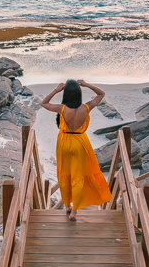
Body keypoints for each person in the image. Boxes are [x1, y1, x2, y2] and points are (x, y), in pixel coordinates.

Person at [40, 79, 112, 221]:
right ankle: (74, 211)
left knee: (65, 174)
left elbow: (44, 103)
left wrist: (56, 90)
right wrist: (86, 85)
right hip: (79, 143)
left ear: (65, 93)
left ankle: (67, 205)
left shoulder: (62, 108)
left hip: (64, 143)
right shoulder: (86, 107)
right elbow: (101, 94)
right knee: (78, 177)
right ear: (79, 94)